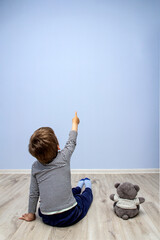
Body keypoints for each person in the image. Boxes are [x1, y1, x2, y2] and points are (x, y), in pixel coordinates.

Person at [19, 112, 93, 227]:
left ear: (35, 154)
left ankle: (78, 188)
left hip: (47, 217)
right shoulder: (64, 156)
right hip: (70, 215)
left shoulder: (35, 167)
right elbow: (71, 141)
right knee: (83, 199)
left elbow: (34, 193)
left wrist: (31, 213)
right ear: (58, 146)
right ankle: (87, 187)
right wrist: (75, 122)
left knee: (70, 195)